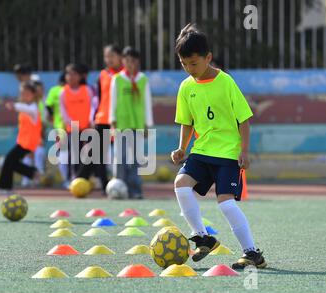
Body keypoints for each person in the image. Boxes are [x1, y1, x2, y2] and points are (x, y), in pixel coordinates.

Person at [171, 23, 266, 269]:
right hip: (201, 151)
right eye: (184, 64)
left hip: (227, 154)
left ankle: (252, 252)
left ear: (208, 58)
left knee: (225, 202)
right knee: (181, 185)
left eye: (193, 63)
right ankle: (203, 236)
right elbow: (187, 122)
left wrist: (244, 151)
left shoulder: (226, 82)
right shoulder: (186, 87)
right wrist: (182, 147)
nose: (189, 69)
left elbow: (243, 118)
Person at [77, 44, 123, 194]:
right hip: (103, 118)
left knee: (121, 155)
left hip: (120, 120)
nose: (108, 59)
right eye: (106, 56)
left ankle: (81, 179)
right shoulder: (103, 75)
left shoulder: (125, 75)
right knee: (96, 153)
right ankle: (102, 186)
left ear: (120, 57)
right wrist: (93, 116)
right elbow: (98, 98)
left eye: (111, 56)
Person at [109, 46, 153, 199]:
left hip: (138, 124)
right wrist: (112, 122)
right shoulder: (117, 79)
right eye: (126, 61)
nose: (129, 64)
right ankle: (119, 188)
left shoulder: (143, 80)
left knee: (136, 158)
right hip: (121, 124)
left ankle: (135, 190)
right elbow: (112, 101)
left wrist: (148, 124)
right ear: (123, 61)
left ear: (137, 62)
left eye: (132, 61)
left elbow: (147, 102)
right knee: (119, 158)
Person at [0, 82, 41, 193]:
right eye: (22, 93)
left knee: (8, 159)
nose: (24, 95)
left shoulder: (33, 108)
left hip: (29, 142)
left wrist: (14, 105)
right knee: (12, 162)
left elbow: (27, 109)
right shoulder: (25, 108)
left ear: (33, 94)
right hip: (23, 141)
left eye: (26, 93)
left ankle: (4, 187)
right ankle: (32, 173)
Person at [60, 63, 97, 181]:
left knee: (89, 154)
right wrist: (73, 125)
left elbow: (93, 107)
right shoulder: (63, 93)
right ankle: (74, 179)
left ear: (80, 76)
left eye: (74, 74)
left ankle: (87, 178)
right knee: (74, 156)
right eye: (68, 74)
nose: (71, 77)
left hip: (88, 128)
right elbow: (63, 112)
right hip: (73, 129)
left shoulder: (87, 90)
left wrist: (91, 121)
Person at [45, 73, 69, 188]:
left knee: (63, 153)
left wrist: (50, 116)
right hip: (72, 126)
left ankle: (67, 179)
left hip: (59, 126)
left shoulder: (54, 90)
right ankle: (71, 178)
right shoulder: (70, 90)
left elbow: (48, 106)